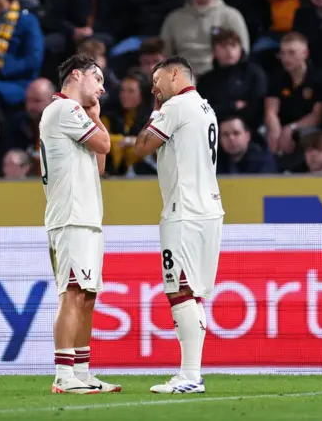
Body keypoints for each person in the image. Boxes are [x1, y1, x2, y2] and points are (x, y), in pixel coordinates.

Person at [133, 56, 225, 394]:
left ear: (175, 74)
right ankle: (191, 373)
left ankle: (190, 376)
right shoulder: (205, 107)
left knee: (180, 291)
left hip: (184, 211)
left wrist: (156, 109)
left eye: (157, 79)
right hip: (210, 209)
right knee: (193, 294)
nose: (154, 87)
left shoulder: (178, 106)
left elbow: (142, 146)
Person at [39, 53, 119, 395]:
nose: (101, 88)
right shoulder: (64, 110)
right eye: (97, 79)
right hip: (70, 217)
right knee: (72, 293)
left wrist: (96, 117)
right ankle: (63, 374)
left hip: (85, 217)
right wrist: (97, 120)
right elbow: (105, 143)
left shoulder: (75, 116)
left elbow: (100, 164)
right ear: (76, 76)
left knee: (86, 296)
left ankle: (82, 372)